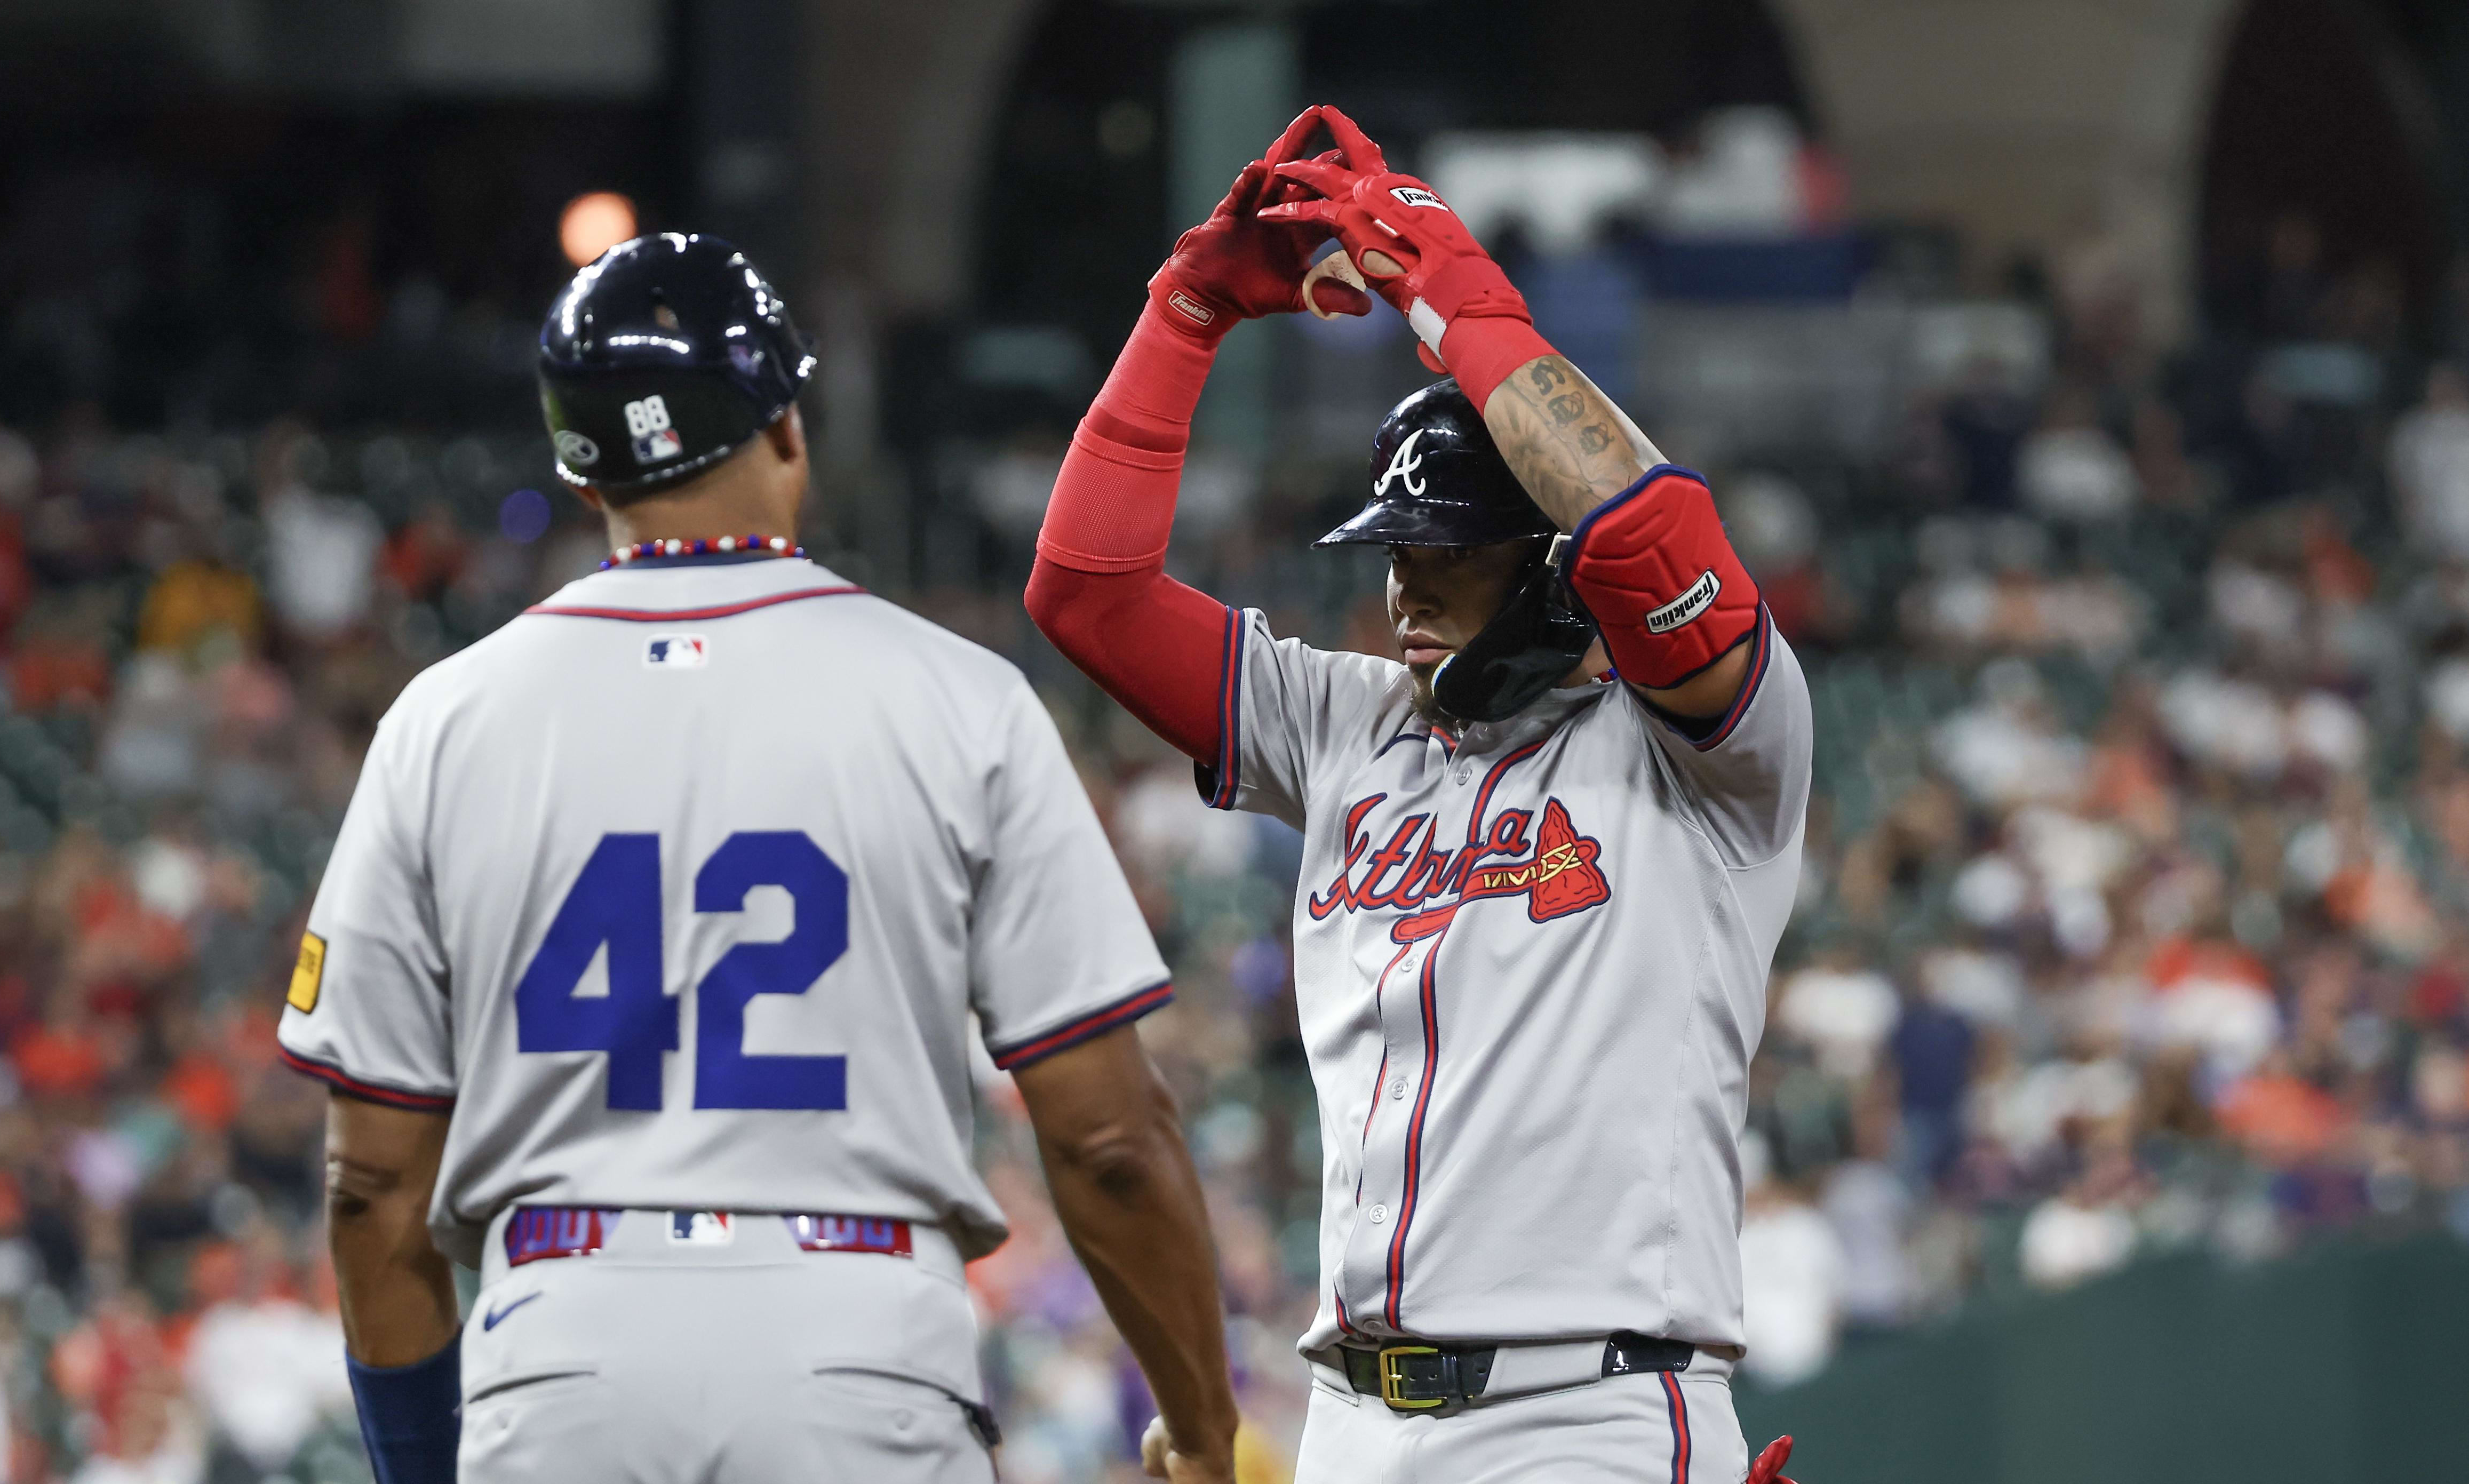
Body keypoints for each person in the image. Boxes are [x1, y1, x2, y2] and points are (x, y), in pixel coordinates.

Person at [277, 235, 1241, 1484]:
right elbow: (1108, 1135)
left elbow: (369, 1183)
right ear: (787, 424)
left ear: (582, 477)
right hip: (858, 1347)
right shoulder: (956, 697)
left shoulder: (442, 722)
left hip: (557, 1348)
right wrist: (1203, 1426)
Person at [1028, 106, 1809, 1483]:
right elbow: (1086, 594)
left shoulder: (1712, 748)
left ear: (1549, 562)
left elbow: (1644, 530)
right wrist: (1187, 307)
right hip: (1351, 1413)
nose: (1405, 581)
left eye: (1448, 545)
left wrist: (1449, 289)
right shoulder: (1349, 723)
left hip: (1589, 1407)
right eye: (1394, 544)